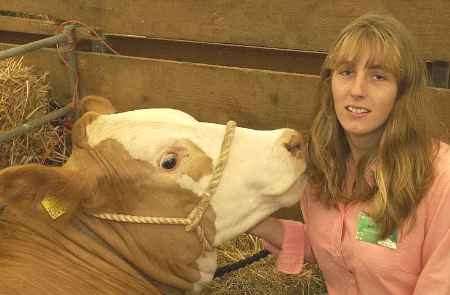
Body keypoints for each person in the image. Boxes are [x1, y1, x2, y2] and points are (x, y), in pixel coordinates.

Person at [249, 13, 450, 294]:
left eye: (378, 76)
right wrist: (254, 222)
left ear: (402, 93)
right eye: (346, 72)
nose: (356, 90)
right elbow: (336, 248)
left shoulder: (441, 180)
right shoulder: (322, 164)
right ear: (330, 82)